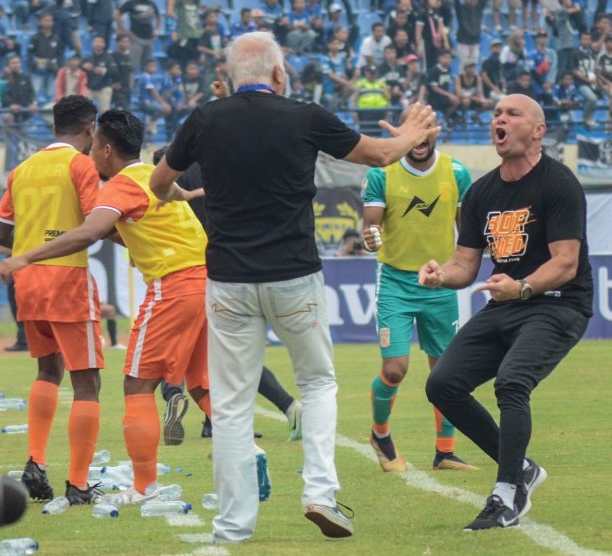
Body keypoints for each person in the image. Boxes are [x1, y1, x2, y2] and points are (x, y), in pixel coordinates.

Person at [149, 31, 439, 542]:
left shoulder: (204, 120)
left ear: (232, 78)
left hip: (228, 281)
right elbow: (378, 155)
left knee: (234, 403)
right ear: (278, 75)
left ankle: (233, 525)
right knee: (318, 384)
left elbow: (156, 182)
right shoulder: (305, 115)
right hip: (293, 275)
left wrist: (179, 193)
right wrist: (413, 134)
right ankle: (320, 494)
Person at [0, 109, 214, 506]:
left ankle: (57, 466)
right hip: (200, 280)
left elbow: (80, 230)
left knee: (114, 380)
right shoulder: (154, 174)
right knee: (192, 383)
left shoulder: (24, 170)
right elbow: (115, 223)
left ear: (105, 147)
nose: (91, 151)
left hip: (40, 282)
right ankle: (249, 457)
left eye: (96, 146)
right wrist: (136, 240)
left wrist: (23, 258)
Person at [419, 94, 593, 531]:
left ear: (537, 131)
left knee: (513, 381)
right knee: (442, 383)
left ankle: (506, 494)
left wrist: (523, 287)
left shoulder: (559, 183)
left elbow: (566, 262)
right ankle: (523, 470)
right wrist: (441, 275)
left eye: (512, 113)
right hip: (507, 303)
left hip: (557, 304)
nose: (500, 118)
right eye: (496, 114)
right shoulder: (481, 192)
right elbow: (465, 265)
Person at [0, 96, 104, 504]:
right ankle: (77, 483)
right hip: (68, 277)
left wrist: (38, 236)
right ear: (90, 129)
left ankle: (36, 461)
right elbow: (96, 221)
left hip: (27, 282)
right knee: (87, 381)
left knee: (47, 370)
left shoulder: (22, 169)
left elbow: (2, 235)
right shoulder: (81, 165)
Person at [150, 145, 303, 446]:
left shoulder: (161, 191)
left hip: (179, 275)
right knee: (233, 354)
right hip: (227, 272)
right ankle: (287, 406)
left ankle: (175, 395)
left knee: (176, 352)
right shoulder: (211, 176)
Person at [361, 105, 475, 475]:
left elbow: (468, 233)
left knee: (445, 373)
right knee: (395, 369)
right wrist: (370, 239)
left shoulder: (457, 173)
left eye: (426, 128)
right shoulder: (383, 173)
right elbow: (371, 230)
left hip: (439, 281)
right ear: (403, 133)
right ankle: (380, 434)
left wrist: (458, 270)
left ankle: (445, 452)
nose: (421, 137)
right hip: (396, 280)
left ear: (436, 131)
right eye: (413, 128)